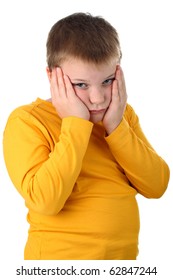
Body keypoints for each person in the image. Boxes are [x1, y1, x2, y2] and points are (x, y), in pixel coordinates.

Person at [3, 12, 170, 260]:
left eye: (108, 81)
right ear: (52, 76)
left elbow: (157, 185)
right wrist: (75, 124)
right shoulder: (28, 121)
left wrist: (116, 126)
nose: (98, 98)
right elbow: (45, 201)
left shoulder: (120, 114)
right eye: (81, 85)